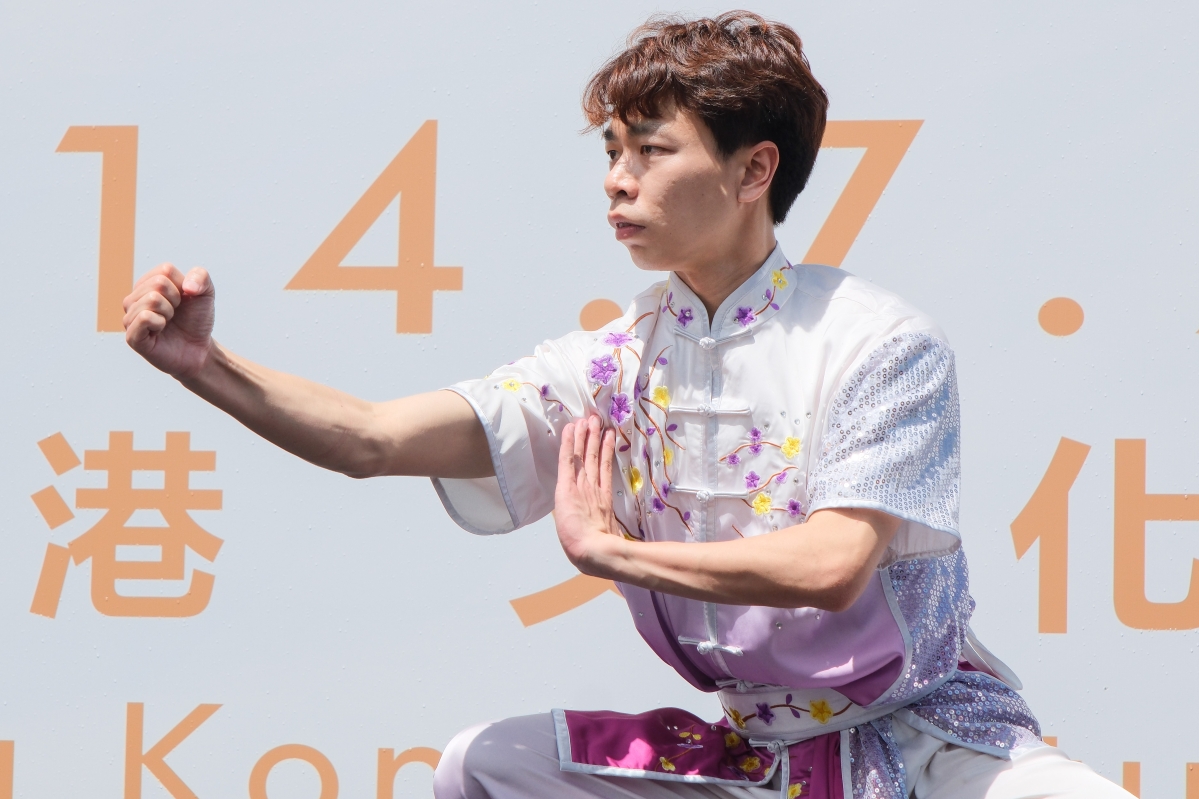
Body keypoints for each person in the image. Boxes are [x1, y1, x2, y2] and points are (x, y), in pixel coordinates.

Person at [121, 11, 1132, 799]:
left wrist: (616, 553)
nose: (616, 181)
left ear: (753, 169)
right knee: (484, 764)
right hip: (755, 763)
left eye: (650, 150)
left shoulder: (876, 341)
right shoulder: (609, 366)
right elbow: (371, 439)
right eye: (610, 151)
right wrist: (205, 365)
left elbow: (831, 566)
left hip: (935, 747)